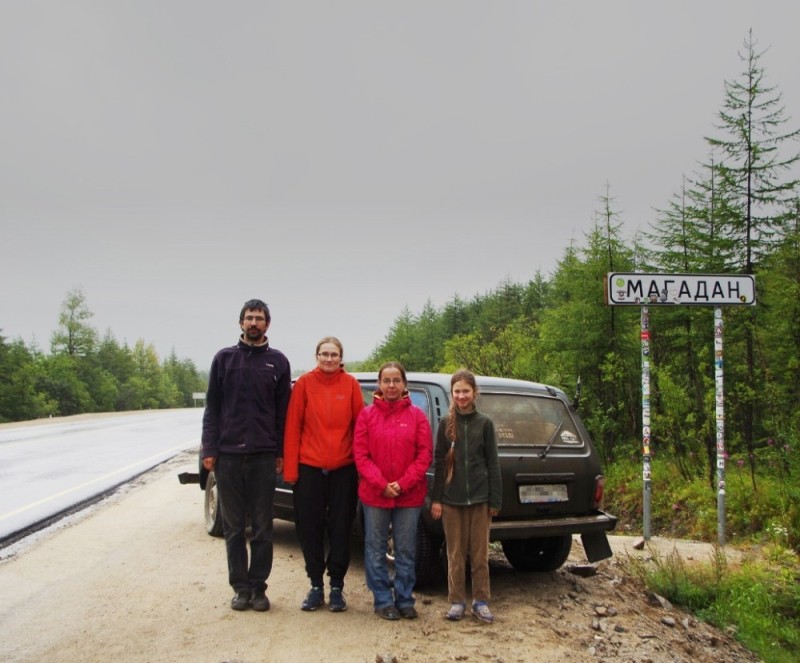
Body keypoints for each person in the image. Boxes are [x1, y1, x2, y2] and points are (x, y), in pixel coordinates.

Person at [201, 298, 291, 612]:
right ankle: (240, 588)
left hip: (264, 457)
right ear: (241, 323)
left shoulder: (278, 362)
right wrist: (209, 449)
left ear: (267, 324)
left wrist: (280, 452)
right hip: (227, 456)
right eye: (249, 318)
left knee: (264, 527)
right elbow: (212, 407)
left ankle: (259, 589)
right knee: (235, 528)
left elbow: (284, 414)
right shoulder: (224, 359)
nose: (254, 323)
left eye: (259, 318)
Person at [283, 336, 365, 613]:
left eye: (334, 355)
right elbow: (293, 427)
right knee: (309, 527)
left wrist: (361, 468)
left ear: (341, 358)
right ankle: (316, 585)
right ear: (316, 356)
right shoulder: (304, 384)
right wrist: (291, 471)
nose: (329, 359)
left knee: (341, 527)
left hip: (343, 468)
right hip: (309, 468)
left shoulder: (350, 385)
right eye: (324, 354)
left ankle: (338, 586)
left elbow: (360, 428)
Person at [353, 362, 433, 621]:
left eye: (396, 380)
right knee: (375, 548)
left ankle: (405, 599)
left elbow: (424, 455)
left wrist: (403, 483)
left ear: (404, 384)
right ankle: (383, 600)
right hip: (375, 495)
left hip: (409, 495)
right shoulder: (367, 415)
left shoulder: (418, 416)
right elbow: (361, 455)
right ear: (379, 384)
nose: (391, 385)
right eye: (386, 380)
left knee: (406, 549)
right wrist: (381, 485)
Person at [430, 369, 502, 624]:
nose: (461, 396)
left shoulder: (485, 423)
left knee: (480, 554)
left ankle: (481, 602)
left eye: (466, 391)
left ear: (474, 393)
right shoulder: (444, 424)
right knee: (455, 554)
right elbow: (439, 463)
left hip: (481, 500)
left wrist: (495, 500)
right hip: (451, 501)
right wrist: (436, 499)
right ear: (452, 394)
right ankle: (457, 601)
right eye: (457, 391)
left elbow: (493, 463)